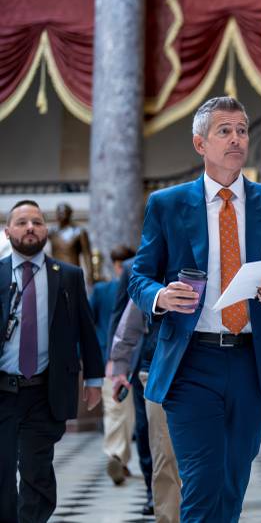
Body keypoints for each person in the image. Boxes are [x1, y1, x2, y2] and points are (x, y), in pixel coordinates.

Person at [127, 96, 261, 522]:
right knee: (202, 479)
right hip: (191, 361)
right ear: (200, 144)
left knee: (233, 481)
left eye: (242, 129)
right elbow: (140, 276)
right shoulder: (167, 204)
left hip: (253, 360)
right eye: (224, 130)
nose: (236, 138)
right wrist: (160, 295)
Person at [0, 199, 103, 523]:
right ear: (8, 231)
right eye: (22, 222)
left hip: (45, 391)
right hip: (2, 391)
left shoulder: (68, 276)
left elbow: (86, 328)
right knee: (2, 474)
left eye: (37, 222)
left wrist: (94, 380)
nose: (30, 227)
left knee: (37, 470)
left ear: (46, 230)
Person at [108, 298, 179, 522]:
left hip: (211, 366)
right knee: (163, 452)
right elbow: (127, 318)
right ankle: (164, 512)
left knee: (208, 457)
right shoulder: (150, 266)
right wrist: (119, 365)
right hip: (157, 365)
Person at [108, 257, 154, 515]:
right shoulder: (131, 267)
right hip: (143, 355)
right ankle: (151, 490)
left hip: (186, 356)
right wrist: (116, 365)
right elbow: (119, 315)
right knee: (145, 428)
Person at [91, 245, 136, 486]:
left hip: (117, 360)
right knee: (125, 412)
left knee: (118, 411)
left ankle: (118, 455)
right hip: (123, 361)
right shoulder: (106, 291)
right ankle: (118, 456)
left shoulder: (105, 290)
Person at [48, 202, 95, 284]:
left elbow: (87, 254)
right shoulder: (52, 231)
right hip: (55, 269)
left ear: (70, 213)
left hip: (72, 270)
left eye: (63, 212)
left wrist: (90, 274)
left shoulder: (79, 231)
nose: (60, 214)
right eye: (58, 212)